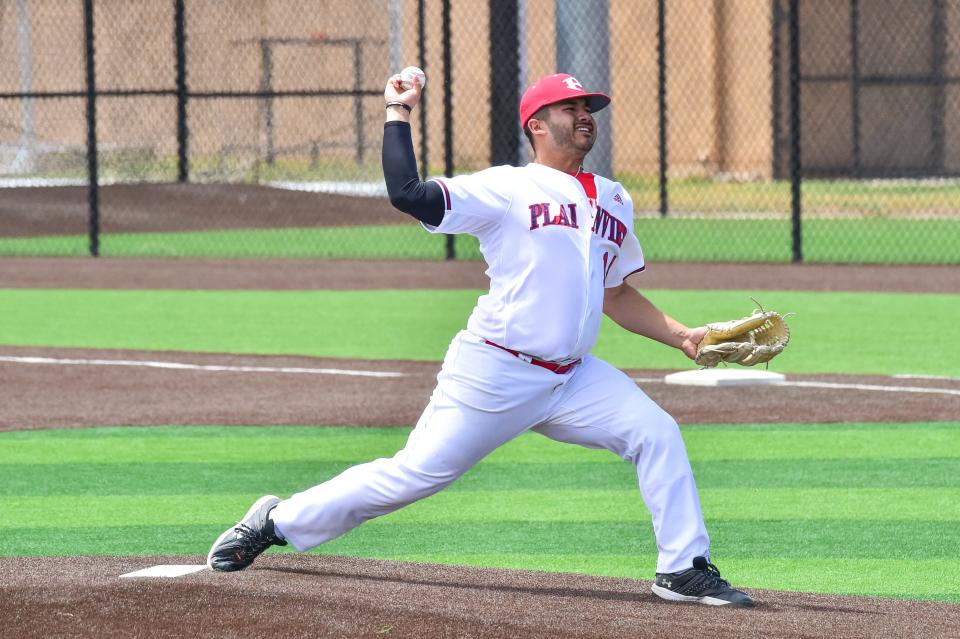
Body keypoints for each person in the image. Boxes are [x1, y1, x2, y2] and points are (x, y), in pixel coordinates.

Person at [207, 71, 753, 608]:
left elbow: (616, 294)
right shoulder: (507, 188)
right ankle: (275, 521)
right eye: (571, 108)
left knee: (656, 433)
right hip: (496, 371)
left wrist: (683, 336)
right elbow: (408, 194)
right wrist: (399, 113)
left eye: (589, 107)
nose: (585, 115)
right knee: (413, 476)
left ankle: (682, 569)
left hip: (575, 378)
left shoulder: (614, 200)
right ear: (536, 125)